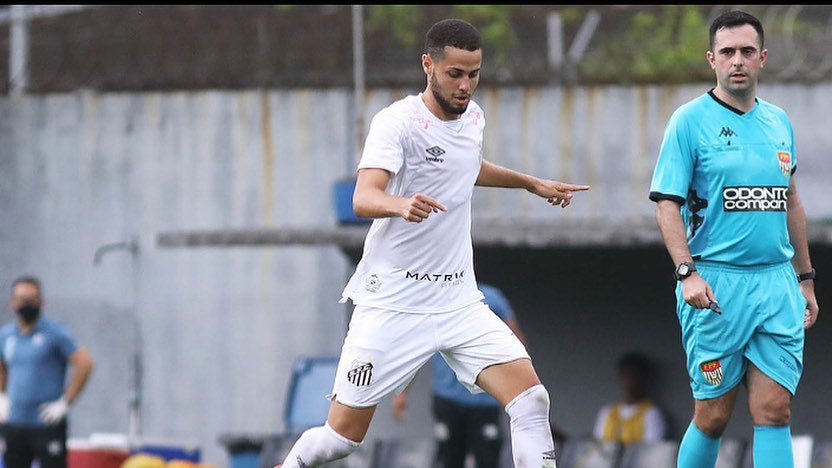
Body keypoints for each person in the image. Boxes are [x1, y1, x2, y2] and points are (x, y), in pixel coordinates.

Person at [273, 18, 589, 468]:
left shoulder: (473, 118)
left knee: (531, 400)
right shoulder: (396, 123)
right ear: (428, 65)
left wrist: (529, 183)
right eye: (454, 74)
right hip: (394, 304)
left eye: (474, 74)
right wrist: (399, 205)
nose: (465, 86)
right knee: (342, 438)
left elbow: (467, 165)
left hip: (458, 302)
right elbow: (363, 198)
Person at [648, 10, 819, 468]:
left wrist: (805, 279)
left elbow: (791, 202)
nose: (737, 60)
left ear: (762, 58)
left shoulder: (779, 122)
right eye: (727, 52)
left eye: (746, 51)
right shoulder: (688, 121)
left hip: (776, 284)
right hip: (716, 288)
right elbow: (667, 204)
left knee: (775, 409)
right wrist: (687, 273)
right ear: (712, 59)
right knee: (713, 415)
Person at [391, 283, 528, 468]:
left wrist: (521, 393)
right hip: (448, 399)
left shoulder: (492, 298)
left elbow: (517, 345)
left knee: (487, 459)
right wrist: (402, 392)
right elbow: (419, 349)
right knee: (450, 459)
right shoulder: (435, 300)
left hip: (484, 399)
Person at [0, 275, 94, 468]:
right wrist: (1, 395)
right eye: (22, 299)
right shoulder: (7, 335)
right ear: (13, 303)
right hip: (15, 422)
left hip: (46, 422)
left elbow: (84, 363)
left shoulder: (55, 332)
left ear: (42, 303)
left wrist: (65, 402)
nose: (27, 304)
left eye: (32, 299)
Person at [591, 352, 667, 445]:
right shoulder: (607, 412)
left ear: (644, 378)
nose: (630, 381)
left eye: (634, 375)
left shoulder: (651, 413)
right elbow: (598, 446)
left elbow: (651, 451)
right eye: (625, 375)